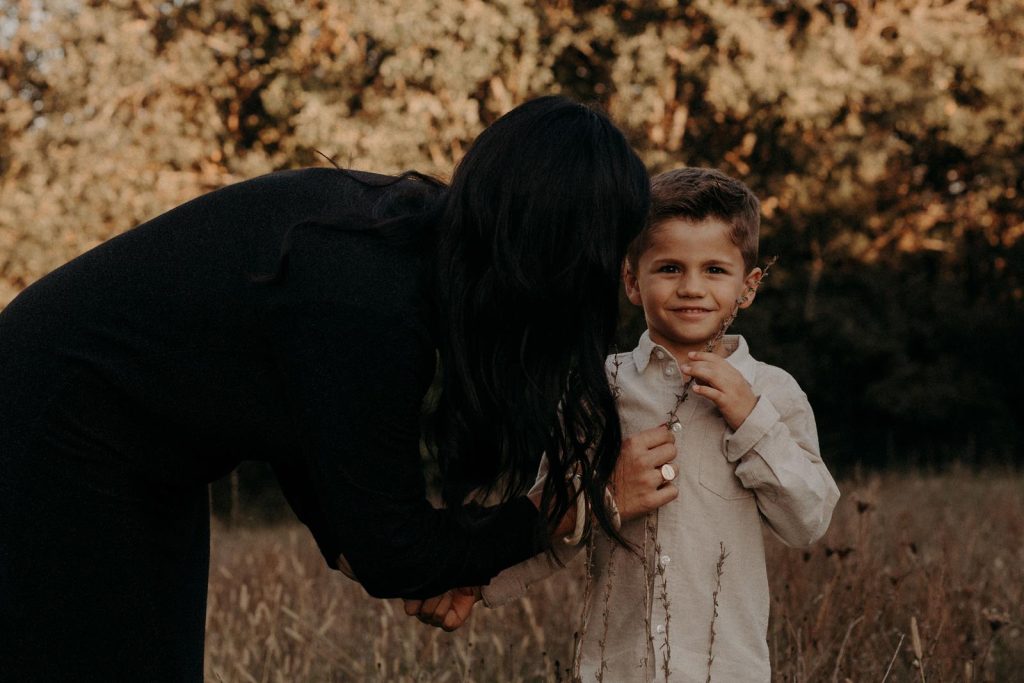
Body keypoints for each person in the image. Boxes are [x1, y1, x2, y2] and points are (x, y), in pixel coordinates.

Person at [0, 96, 680, 681]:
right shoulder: (370, 299)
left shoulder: (407, 250)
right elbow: (396, 549)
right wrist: (563, 505)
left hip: (135, 447)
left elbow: (296, 419)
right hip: (50, 421)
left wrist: (371, 551)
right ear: (562, 257)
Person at [433, 167, 841, 682]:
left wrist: (750, 417)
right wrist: (474, 578)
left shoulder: (773, 392)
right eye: (669, 268)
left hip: (727, 669)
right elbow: (554, 517)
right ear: (631, 279)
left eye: (715, 269)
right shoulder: (596, 391)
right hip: (616, 666)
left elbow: (808, 520)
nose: (692, 287)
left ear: (749, 286)